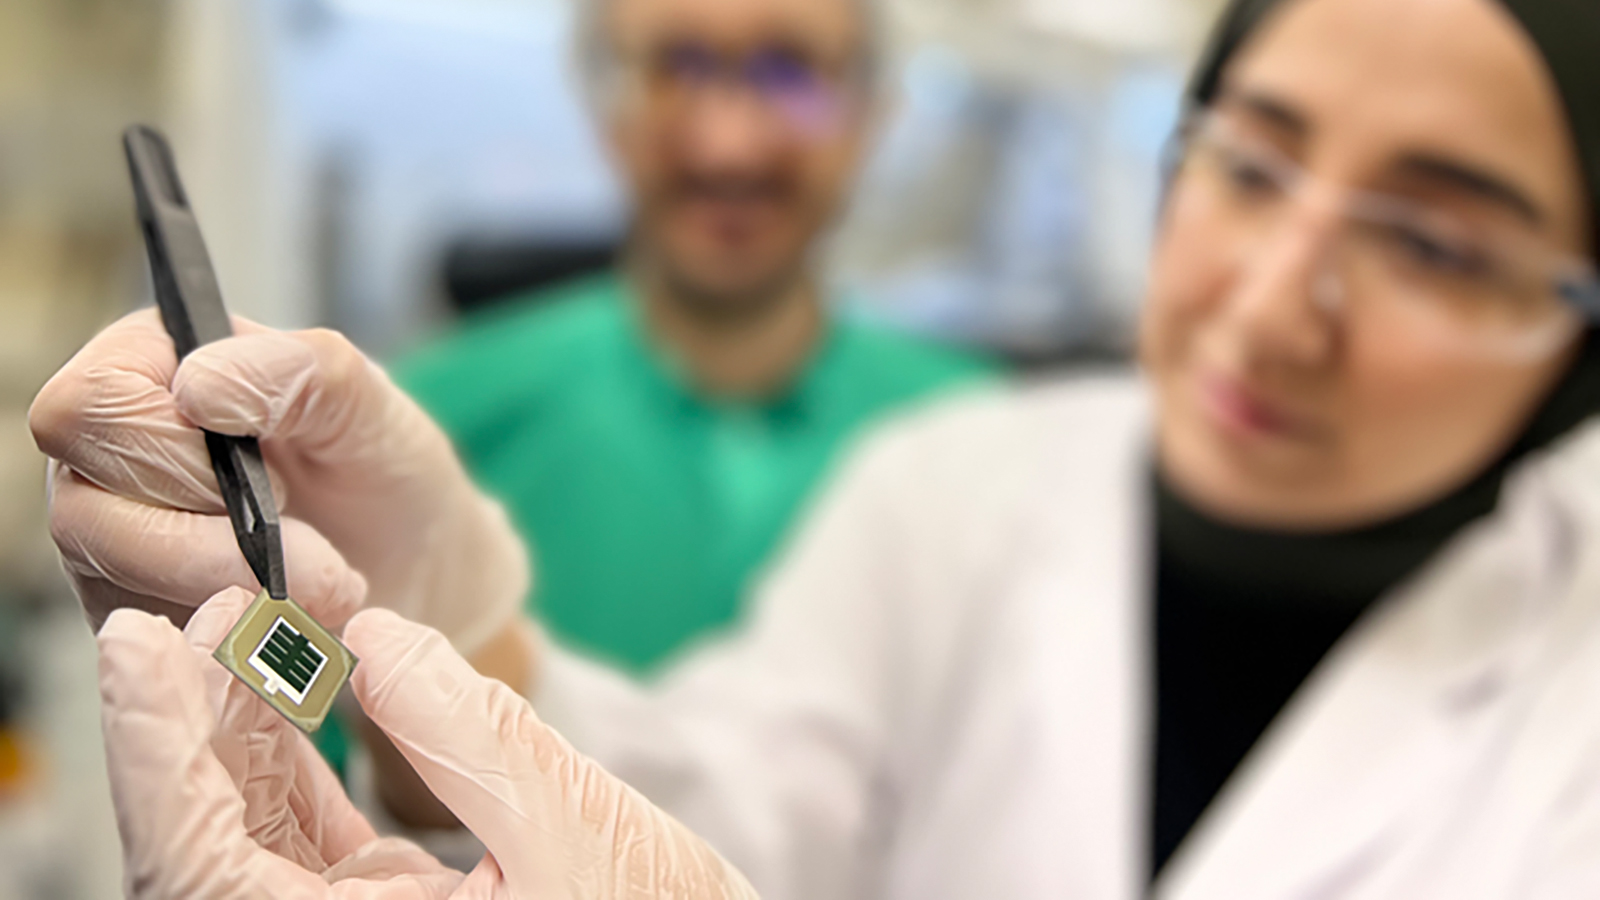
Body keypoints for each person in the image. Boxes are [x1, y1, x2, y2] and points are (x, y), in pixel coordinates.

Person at [33, 0, 1600, 896]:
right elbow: (706, 808)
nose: (1268, 310)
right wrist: (429, 615)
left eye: (1434, 243)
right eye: (1251, 166)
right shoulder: (966, 492)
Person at [393, 0, 992, 676]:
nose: (729, 146)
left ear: (872, 111)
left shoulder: (986, 444)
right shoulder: (431, 432)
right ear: (604, 108)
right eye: (675, 70)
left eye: (791, 76)